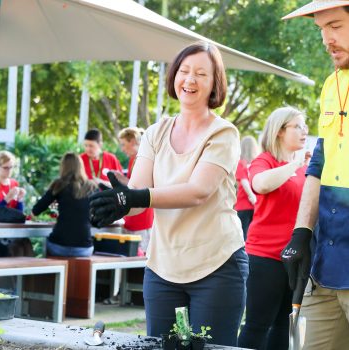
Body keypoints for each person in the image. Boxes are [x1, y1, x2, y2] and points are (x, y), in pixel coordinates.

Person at [89, 41, 248, 346]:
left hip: (217, 266)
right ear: (174, 75)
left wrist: (136, 198)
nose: (190, 80)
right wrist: (119, 202)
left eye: (201, 74)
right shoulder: (155, 132)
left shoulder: (223, 133)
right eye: (184, 71)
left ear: (215, 83)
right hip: (162, 267)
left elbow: (198, 191)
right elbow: (136, 196)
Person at [281, 2, 349, 349]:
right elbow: (318, 165)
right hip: (325, 264)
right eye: (321, 29)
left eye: (335, 26)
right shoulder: (331, 84)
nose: (326, 39)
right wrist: (301, 232)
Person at [238, 107, 310, 350]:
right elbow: (260, 184)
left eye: (305, 126)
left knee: (284, 324)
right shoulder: (265, 160)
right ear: (280, 131)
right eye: (298, 126)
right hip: (265, 257)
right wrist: (295, 164)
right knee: (257, 325)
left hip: (294, 259)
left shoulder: (304, 167)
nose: (305, 131)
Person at [32, 152, 97, 257]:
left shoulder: (58, 185)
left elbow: (36, 210)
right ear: (80, 167)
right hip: (84, 248)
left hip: (59, 246)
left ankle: (50, 273)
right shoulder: (91, 187)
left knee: (46, 244)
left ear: (63, 167)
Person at [116, 127, 154, 253]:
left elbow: (141, 188)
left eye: (123, 144)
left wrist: (121, 179)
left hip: (142, 219)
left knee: (140, 259)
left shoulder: (144, 158)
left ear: (132, 141)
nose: (122, 148)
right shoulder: (133, 158)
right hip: (131, 217)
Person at [0, 150, 32, 257]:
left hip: (12, 230)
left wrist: (20, 199)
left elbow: (18, 213)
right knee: (14, 248)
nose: (9, 171)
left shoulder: (14, 183)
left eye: (11, 167)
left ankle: (30, 273)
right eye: (5, 167)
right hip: (1, 232)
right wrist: (6, 199)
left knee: (26, 244)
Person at [234, 135, 259, 240]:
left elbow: (244, 180)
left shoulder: (240, 163)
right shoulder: (257, 163)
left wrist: (251, 195)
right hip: (256, 203)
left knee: (243, 233)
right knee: (252, 233)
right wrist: (253, 197)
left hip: (244, 204)